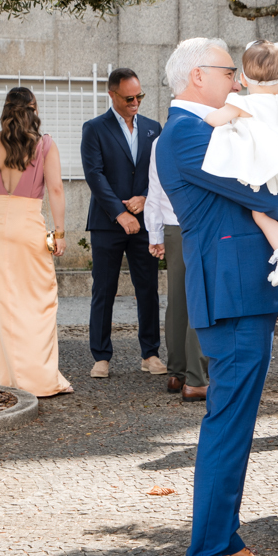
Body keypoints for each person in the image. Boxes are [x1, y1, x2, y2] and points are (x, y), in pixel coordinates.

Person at [156, 37, 278, 556]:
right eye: (230, 71)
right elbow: (252, 188)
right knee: (227, 426)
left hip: (244, 289)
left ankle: (225, 544)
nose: (238, 80)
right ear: (198, 76)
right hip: (227, 293)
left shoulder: (212, 125)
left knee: (239, 424)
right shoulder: (184, 132)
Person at [0, 87, 73, 397]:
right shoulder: (44, 145)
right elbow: (55, 190)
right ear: (33, 109)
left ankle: (11, 378)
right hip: (28, 222)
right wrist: (60, 232)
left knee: (4, 303)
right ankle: (39, 379)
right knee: (38, 300)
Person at [201, 40, 278, 285]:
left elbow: (213, 119)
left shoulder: (243, 103)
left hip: (264, 166)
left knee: (260, 211)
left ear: (241, 79)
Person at [81, 67, 164, 379]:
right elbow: (95, 175)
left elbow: (160, 172)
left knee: (148, 289)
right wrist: (120, 213)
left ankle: (151, 353)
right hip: (106, 223)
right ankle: (101, 356)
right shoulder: (94, 129)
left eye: (139, 96)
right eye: (129, 97)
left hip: (145, 222)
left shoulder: (154, 128)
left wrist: (144, 198)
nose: (135, 102)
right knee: (104, 289)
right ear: (112, 94)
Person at [144, 141, 210, 402]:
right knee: (201, 298)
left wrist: (155, 233)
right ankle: (196, 379)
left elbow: (155, 190)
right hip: (203, 224)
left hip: (173, 225)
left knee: (178, 299)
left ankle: (176, 373)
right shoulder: (207, 132)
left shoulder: (161, 141)